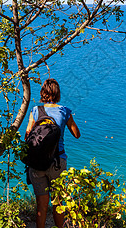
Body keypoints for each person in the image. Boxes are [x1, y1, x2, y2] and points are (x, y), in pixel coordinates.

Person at [25, 78, 80, 228]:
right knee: (58, 203)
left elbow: (28, 135)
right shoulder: (65, 111)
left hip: (37, 163)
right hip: (58, 162)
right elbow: (77, 134)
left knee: (41, 206)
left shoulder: (36, 111)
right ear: (57, 93)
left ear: (43, 93)